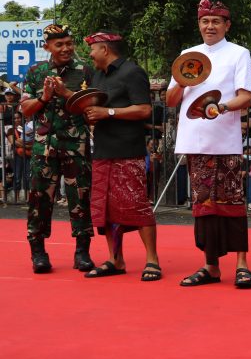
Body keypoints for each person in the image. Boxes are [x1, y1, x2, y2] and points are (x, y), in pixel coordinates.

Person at [166, 0, 251, 289]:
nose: (210, 26)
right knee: (203, 204)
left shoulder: (239, 54)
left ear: (226, 25)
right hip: (194, 139)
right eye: (205, 21)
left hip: (226, 139)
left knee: (232, 201)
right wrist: (181, 80)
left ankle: (242, 264)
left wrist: (224, 108)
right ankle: (210, 266)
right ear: (199, 24)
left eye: (216, 21)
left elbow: (246, 96)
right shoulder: (187, 54)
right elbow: (170, 100)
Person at [79, 32, 161, 280]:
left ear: (105, 49)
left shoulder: (132, 72)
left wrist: (108, 112)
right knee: (105, 208)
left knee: (137, 204)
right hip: (103, 150)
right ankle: (116, 259)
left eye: (92, 49)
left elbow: (144, 109)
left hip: (128, 150)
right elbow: (95, 108)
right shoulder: (96, 76)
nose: (90, 55)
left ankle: (152, 260)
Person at [20, 24, 95, 274]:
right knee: (39, 199)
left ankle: (82, 252)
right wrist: (44, 97)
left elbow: (91, 106)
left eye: (69, 43)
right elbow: (25, 109)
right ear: (47, 47)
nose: (66, 48)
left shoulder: (85, 71)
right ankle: (38, 252)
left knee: (81, 198)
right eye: (59, 44)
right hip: (44, 149)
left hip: (76, 145)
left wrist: (65, 92)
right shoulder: (35, 72)